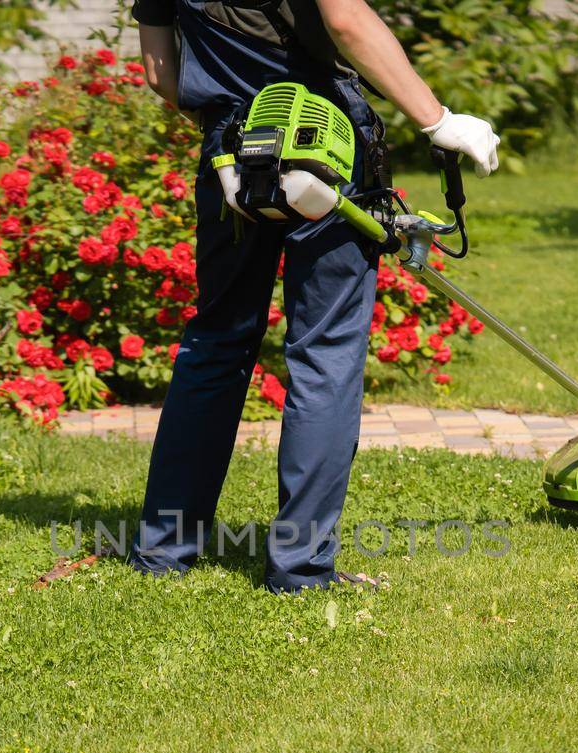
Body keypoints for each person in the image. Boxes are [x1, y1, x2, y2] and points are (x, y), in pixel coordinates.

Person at [127, 0, 499, 592]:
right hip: (324, 152)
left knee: (217, 342)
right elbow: (347, 20)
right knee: (325, 353)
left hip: (230, 158)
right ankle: (299, 570)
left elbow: (160, 74)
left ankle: (163, 551)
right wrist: (438, 120)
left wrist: (235, 116)